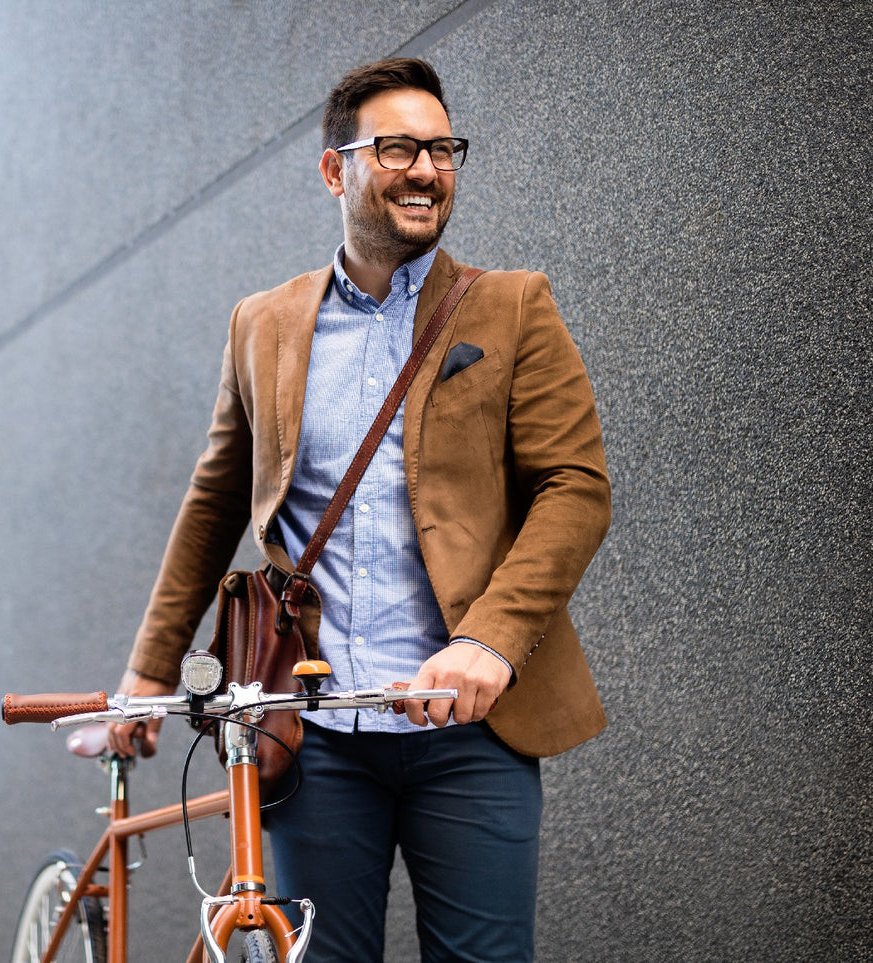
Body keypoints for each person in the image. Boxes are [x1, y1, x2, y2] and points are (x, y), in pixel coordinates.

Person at [106, 57, 611, 961]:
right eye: (397, 148)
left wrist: (489, 639)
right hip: (312, 734)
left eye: (442, 149)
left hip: (470, 723)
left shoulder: (512, 307)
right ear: (334, 171)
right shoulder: (261, 323)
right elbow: (214, 501)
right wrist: (150, 667)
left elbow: (574, 487)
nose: (426, 169)